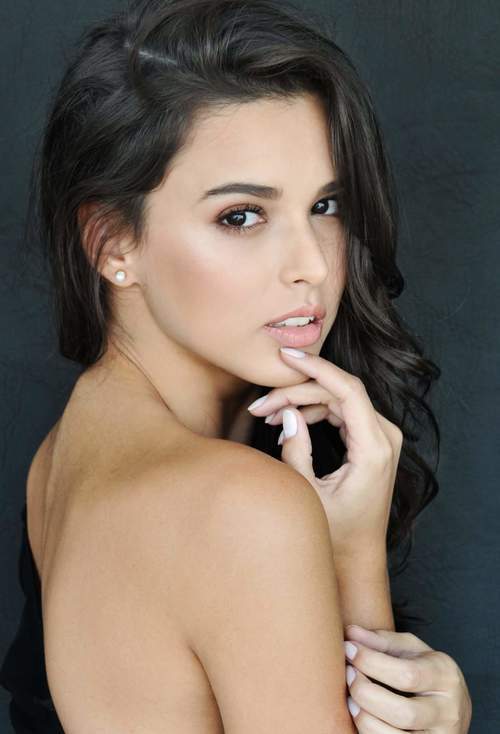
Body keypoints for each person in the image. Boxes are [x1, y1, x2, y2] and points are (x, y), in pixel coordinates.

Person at [0, 0, 472, 731]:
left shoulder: (69, 450)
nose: (313, 265)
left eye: (327, 205)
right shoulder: (240, 508)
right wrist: (354, 561)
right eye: (242, 216)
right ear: (112, 243)